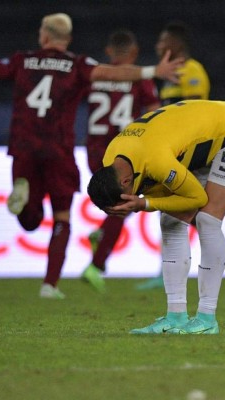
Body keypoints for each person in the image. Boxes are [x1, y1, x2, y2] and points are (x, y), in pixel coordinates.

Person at [0, 13, 182, 299]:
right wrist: (152, 71)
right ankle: (50, 285)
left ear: (43, 36)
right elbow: (115, 72)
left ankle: (24, 196)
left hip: (25, 145)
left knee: (31, 221)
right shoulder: (77, 65)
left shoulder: (22, 61)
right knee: (62, 217)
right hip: (60, 149)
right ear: (67, 39)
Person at [88, 100, 225, 334]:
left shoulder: (156, 160)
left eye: (123, 202)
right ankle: (176, 316)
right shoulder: (112, 160)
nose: (125, 208)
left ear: (126, 183)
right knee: (170, 221)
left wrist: (144, 203)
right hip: (192, 144)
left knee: (208, 220)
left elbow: (197, 199)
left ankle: (207, 319)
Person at [136, 20, 225, 291]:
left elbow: (196, 110)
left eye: (163, 41)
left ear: (176, 45)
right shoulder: (167, 75)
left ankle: (174, 269)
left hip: (195, 151)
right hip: (175, 151)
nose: (158, 46)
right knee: (182, 209)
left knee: (184, 208)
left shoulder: (193, 70)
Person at [81, 29, 161, 293]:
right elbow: (154, 116)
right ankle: (97, 263)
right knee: (123, 205)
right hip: (123, 155)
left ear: (108, 52)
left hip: (94, 150)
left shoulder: (96, 76)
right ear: (134, 53)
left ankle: (101, 236)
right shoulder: (140, 78)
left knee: (117, 205)